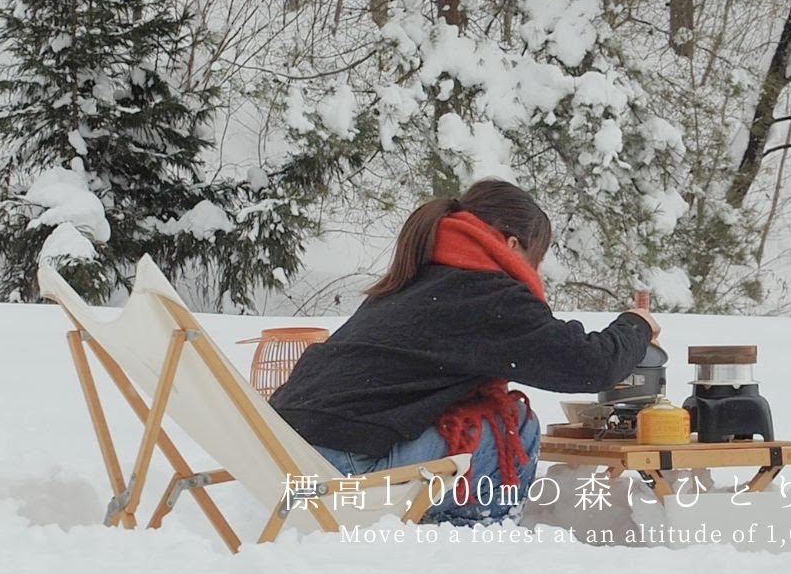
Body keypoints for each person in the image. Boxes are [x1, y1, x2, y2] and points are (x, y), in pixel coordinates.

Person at [269, 179, 659, 526]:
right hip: (348, 473)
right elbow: (590, 366)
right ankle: (483, 538)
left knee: (465, 414)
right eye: (534, 261)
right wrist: (636, 325)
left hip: (286, 461)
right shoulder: (485, 294)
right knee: (514, 421)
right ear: (510, 244)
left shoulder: (412, 283)